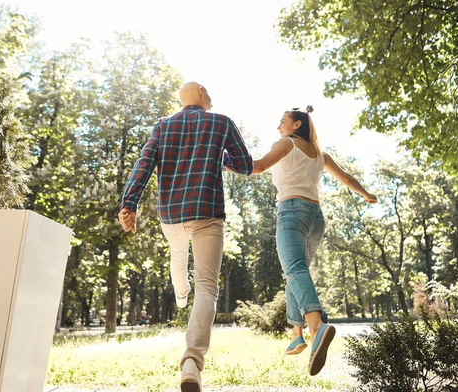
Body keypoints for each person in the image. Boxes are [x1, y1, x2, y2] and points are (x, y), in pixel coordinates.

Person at [119, 81, 253, 392]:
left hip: (172, 214)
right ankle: (192, 361)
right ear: (203, 94)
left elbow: (145, 163)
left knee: (178, 255)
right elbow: (245, 165)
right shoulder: (222, 122)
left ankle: (181, 295)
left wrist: (130, 203)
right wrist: (219, 159)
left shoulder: (163, 125)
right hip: (207, 211)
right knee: (207, 287)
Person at [252, 106, 377, 376]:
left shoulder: (287, 143)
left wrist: (223, 161)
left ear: (297, 125)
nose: (279, 126)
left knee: (294, 269)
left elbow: (258, 166)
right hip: (316, 218)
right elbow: (345, 178)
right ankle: (297, 333)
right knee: (296, 273)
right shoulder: (320, 154)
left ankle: (316, 327)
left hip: (292, 212)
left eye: (283, 121)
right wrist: (366, 194)